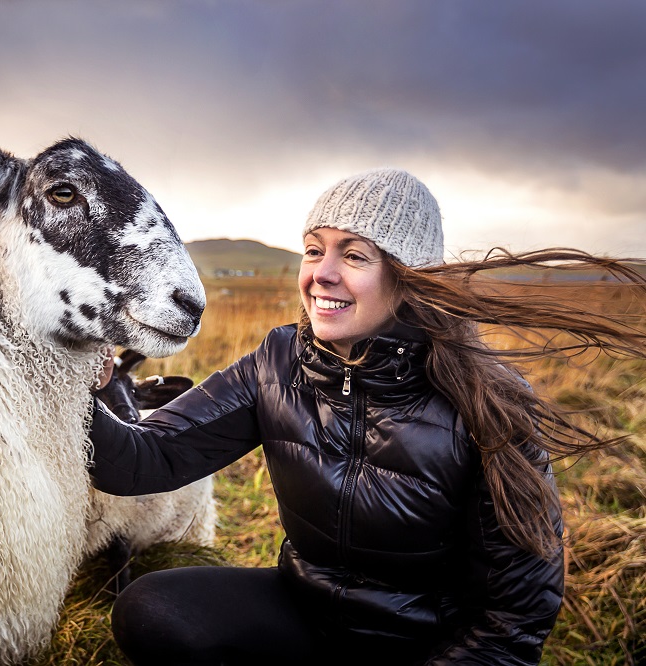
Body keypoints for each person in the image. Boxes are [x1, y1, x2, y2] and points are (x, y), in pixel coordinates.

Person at [88, 168, 646, 665]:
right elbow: (145, 460)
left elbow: (515, 621)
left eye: (353, 255)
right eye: (313, 250)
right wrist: (80, 385)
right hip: (307, 609)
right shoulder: (280, 360)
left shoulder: (487, 401)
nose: (321, 274)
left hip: (427, 644)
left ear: (408, 278)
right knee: (153, 610)